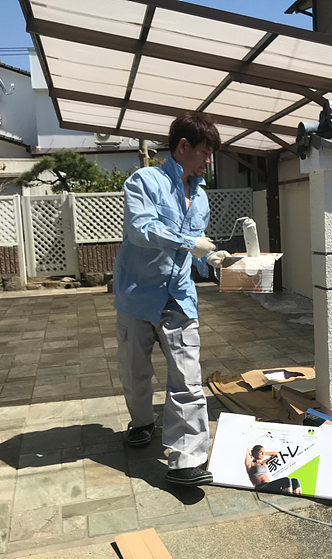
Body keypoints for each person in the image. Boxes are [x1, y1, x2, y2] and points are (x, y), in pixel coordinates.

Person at [113, 113, 231, 486]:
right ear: (183, 146)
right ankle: (141, 422)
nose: (208, 160)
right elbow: (140, 229)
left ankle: (187, 461)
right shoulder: (144, 181)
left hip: (179, 296)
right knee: (135, 371)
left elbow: (193, 251)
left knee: (187, 378)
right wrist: (188, 243)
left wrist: (210, 260)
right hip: (136, 294)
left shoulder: (201, 198)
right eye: (204, 152)